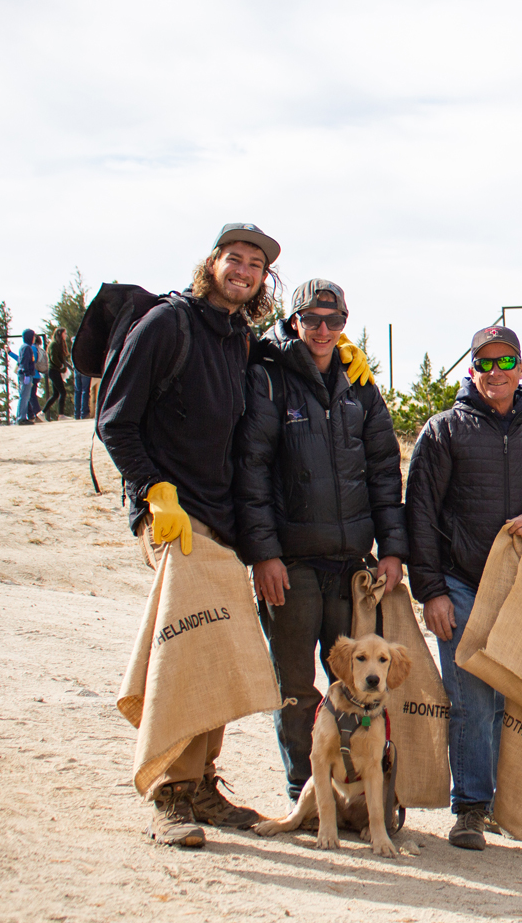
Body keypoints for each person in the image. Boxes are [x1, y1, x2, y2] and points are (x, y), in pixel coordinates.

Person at [98, 223, 295, 847]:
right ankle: (169, 795)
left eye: (255, 264)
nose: (243, 269)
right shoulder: (167, 324)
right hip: (175, 517)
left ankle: (201, 783)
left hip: (222, 522)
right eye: (233, 258)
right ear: (211, 264)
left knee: (219, 652)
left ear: (264, 281)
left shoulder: (239, 339)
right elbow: (115, 420)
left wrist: (335, 354)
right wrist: (154, 491)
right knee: (188, 650)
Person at [235, 278, 408, 806]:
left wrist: (393, 549)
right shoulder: (267, 381)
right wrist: (264, 554)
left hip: (351, 567)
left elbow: (383, 470)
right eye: (312, 320)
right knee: (295, 686)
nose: (323, 330)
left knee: (359, 687)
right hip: (290, 563)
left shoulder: (360, 386)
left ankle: (356, 795)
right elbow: (252, 471)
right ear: (294, 323)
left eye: (334, 322)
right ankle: (304, 791)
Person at [405, 325, 522, 851]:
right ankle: (471, 809)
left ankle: (503, 805)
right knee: (472, 698)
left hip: (516, 590)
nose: (495, 373)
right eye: (485, 363)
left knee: (510, 698)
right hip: (457, 584)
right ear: (471, 370)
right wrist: (430, 590)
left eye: (506, 363)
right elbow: (420, 516)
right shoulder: (443, 431)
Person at [7, 329, 40, 425]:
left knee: (25, 396)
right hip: (26, 374)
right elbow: (24, 362)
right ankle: (21, 418)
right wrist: (26, 374)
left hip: (25, 374)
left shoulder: (24, 347)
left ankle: (21, 417)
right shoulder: (27, 348)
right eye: (33, 336)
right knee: (24, 397)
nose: (34, 338)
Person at [43, 327, 70, 420]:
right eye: (64, 333)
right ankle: (61, 415)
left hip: (56, 371)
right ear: (60, 334)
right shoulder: (54, 344)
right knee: (62, 392)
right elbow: (53, 358)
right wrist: (61, 366)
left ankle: (42, 413)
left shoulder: (58, 344)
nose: (66, 335)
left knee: (56, 394)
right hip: (54, 371)